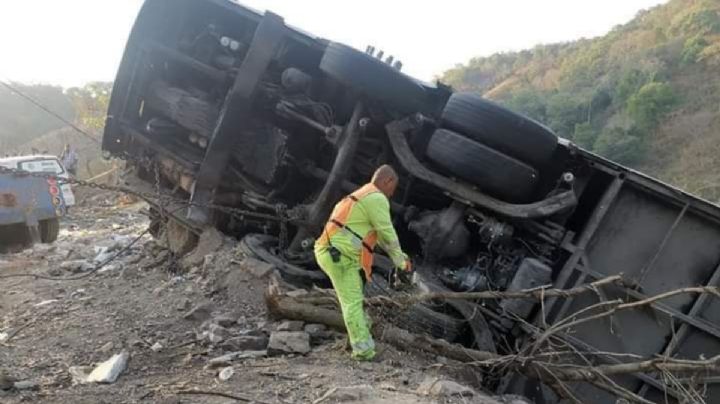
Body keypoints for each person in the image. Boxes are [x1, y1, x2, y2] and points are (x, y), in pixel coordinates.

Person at [314, 165, 412, 361]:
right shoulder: (376, 198)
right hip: (340, 256)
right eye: (394, 188)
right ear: (388, 181)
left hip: (337, 253)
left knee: (353, 300)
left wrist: (401, 259)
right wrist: (401, 263)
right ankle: (364, 353)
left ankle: (361, 333)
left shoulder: (363, 194)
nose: (393, 193)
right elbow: (388, 234)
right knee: (352, 303)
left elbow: (381, 239)